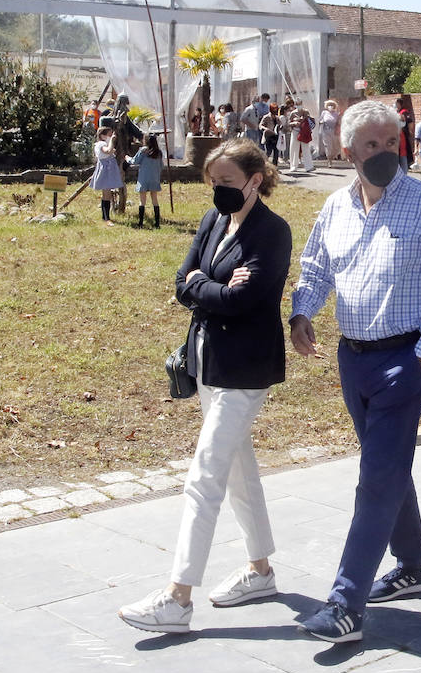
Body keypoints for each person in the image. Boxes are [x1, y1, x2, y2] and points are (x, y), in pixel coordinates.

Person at [289, 99, 421, 643]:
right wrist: (301, 311)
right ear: (347, 152)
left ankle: (346, 603)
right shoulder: (336, 207)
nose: (384, 152)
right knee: (386, 466)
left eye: (392, 143)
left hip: (405, 359)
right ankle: (413, 564)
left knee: (375, 479)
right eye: (371, 145)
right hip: (353, 357)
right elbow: (317, 265)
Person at [118, 139, 292, 634]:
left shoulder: (273, 232)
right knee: (238, 470)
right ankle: (261, 572)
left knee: (205, 475)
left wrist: (203, 286)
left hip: (245, 369)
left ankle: (177, 599)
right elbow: (182, 282)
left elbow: (245, 300)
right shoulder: (215, 220)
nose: (217, 191)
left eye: (227, 183)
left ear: (255, 181)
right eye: (212, 182)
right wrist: (205, 286)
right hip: (208, 363)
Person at [89, 127, 123, 224]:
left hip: (107, 170)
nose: (110, 137)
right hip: (106, 171)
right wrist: (112, 141)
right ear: (102, 136)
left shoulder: (102, 144)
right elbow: (108, 151)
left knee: (106, 194)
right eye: (109, 135)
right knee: (106, 194)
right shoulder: (101, 144)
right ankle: (106, 217)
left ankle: (105, 216)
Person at [131, 134, 164, 228]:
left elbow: (134, 161)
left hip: (143, 178)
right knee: (155, 199)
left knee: (142, 200)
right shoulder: (158, 152)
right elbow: (161, 166)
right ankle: (157, 223)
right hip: (154, 178)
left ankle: (141, 222)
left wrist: (127, 158)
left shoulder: (143, 151)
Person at [290, 106, 315, 173]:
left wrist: (304, 119)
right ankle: (293, 166)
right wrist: (294, 123)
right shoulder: (293, 113)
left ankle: (309, 166)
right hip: (295, 131)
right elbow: (289, 123)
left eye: (300, 103)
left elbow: (310, 121)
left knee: (306, 148)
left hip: (304, 131)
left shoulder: (306, 111)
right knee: (294, 149)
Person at [318, 100, 340, 166]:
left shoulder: (336, 114)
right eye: (329, 105)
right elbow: (320, 120)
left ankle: (332, 156)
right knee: (328, 146)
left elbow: (338, 123)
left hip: (334, 132)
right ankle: (329, 160)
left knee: (336, 147)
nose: (331, 106)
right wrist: (321, 122)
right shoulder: (324, 113)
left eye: (332, 105)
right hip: (326, 131)